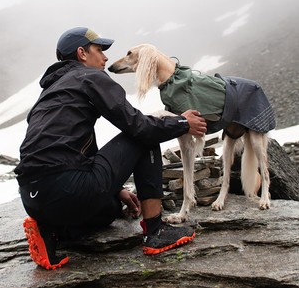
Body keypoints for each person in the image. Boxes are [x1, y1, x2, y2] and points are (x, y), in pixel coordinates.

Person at [15, 27, 207, 270]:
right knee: (144, 135)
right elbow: (139, 127)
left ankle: (51, 231)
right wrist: (181, 122)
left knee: (110, 210)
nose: (105, 58)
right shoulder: (90, 77)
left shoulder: (48, 95)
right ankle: (156, 230)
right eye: (99, 50)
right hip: (68, 187)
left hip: (33, 198)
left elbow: (73, 147)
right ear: (82, 53)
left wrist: (115, 190)